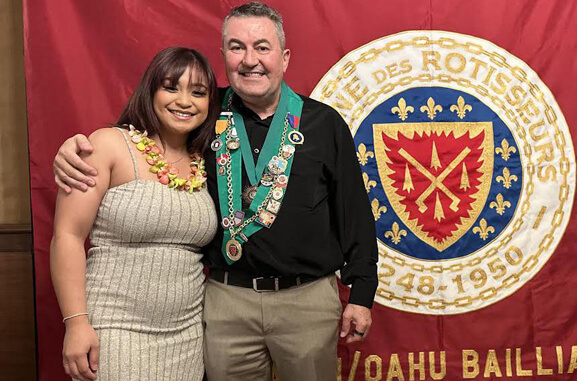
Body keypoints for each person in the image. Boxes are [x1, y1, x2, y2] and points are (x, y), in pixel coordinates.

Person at [52, 2, 378, 381]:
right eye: (237, 47)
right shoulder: (205, 113)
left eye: (262, 47)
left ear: (285, 57)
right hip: (225, 301)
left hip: (306, 299)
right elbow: (144, 136)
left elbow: (353, 212)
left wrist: (362, 292)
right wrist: (72, 148)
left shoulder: (323, 122)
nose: (250, 59)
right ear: (223, 55)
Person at [50, 47, 220, 381]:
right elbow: (67, 236)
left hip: (187, 337)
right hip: (115, 331)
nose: (184, 101)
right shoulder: (108, 145)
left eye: (198, 92)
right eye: (171, 87)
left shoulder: (207, 159)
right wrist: (76, 322)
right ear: (150, 90)